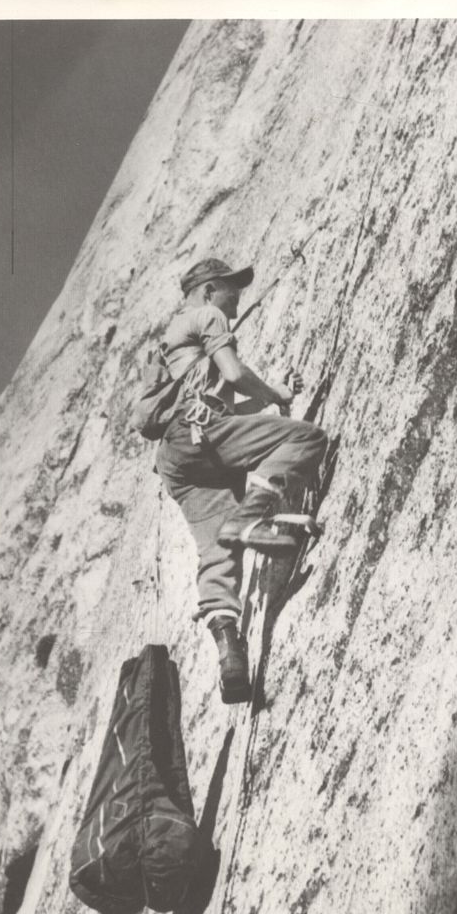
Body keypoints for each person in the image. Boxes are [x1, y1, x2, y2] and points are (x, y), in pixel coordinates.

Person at [155, 258, 328, 704]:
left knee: (217, 553)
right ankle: (250, 519)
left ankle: (231, 655)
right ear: (210, 290)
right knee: (308, 440)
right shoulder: (206, 315)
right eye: (232, 289)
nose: (237, 299)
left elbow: (225, 414)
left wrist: (267, 402)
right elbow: (233, 374)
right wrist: (273, 393)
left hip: (180, 461)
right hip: (203, 435)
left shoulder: (170, 346)